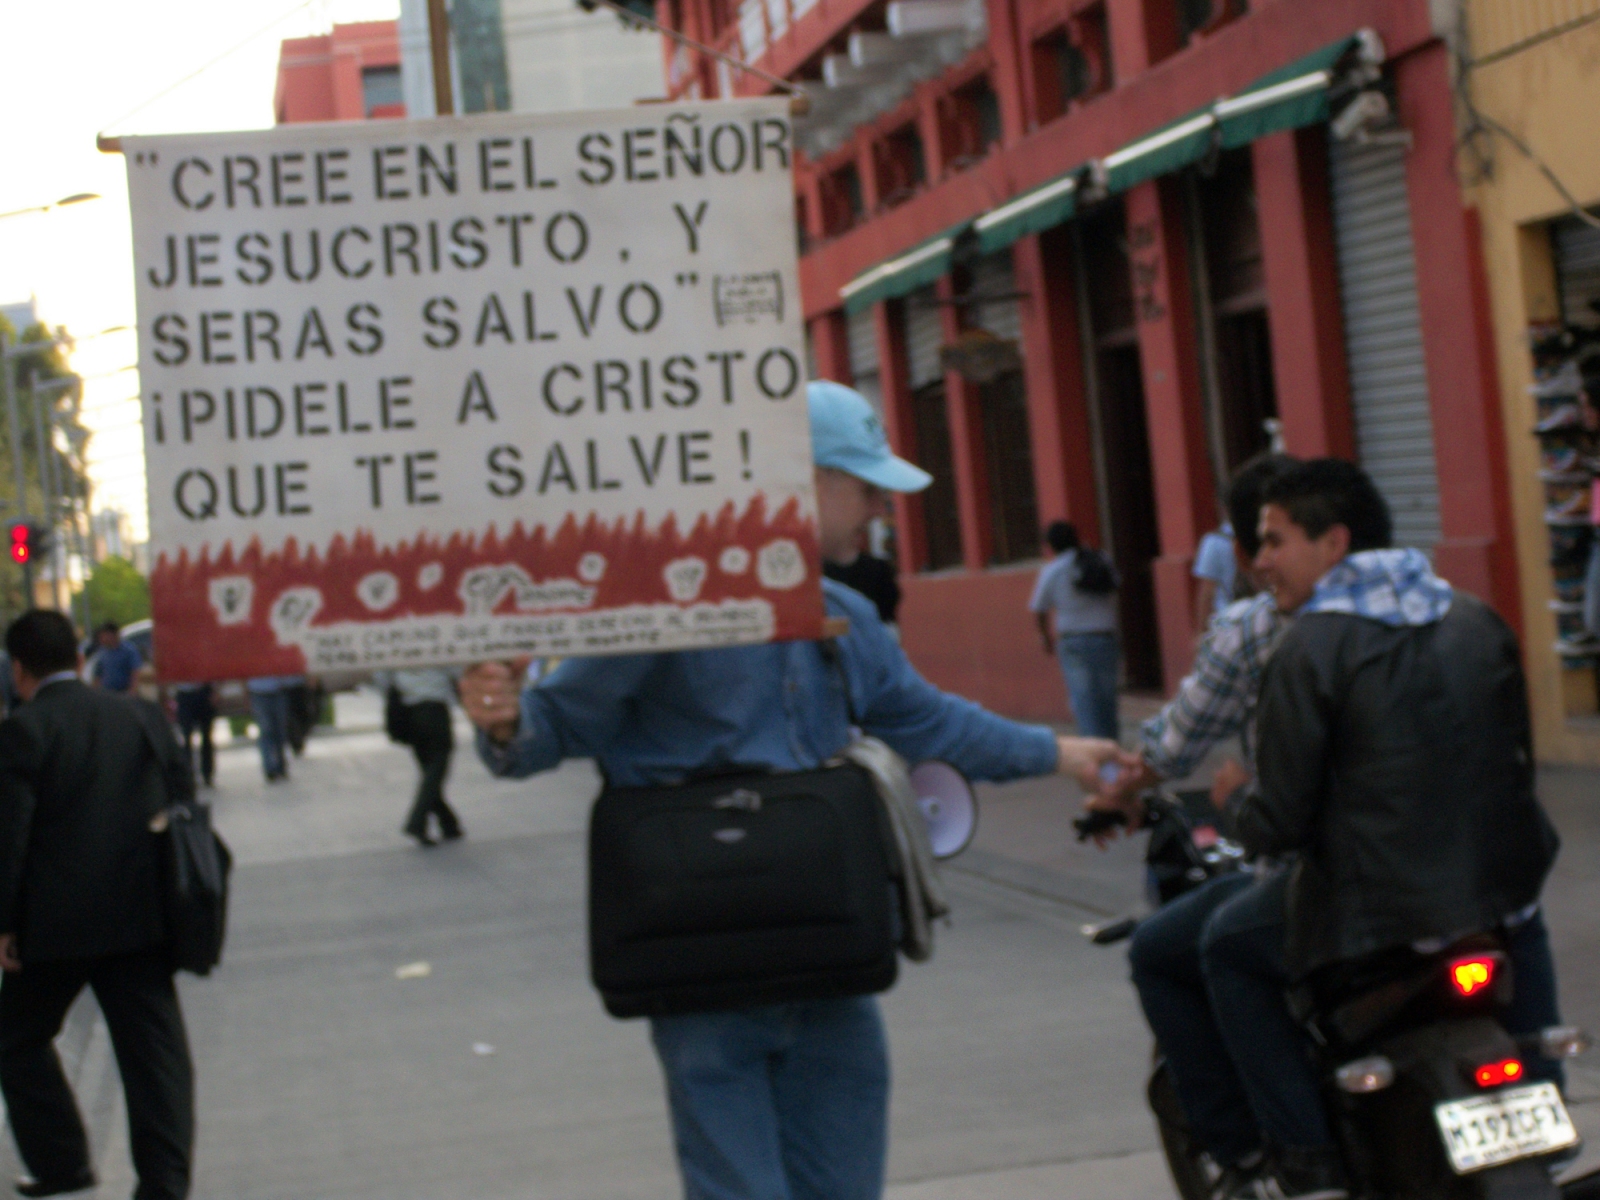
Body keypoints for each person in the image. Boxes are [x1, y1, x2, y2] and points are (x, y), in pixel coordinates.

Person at [459, 379, 1131, 1200]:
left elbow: (930, 723)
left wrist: (1063, 754)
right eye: (865, 486)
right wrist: (502, 719)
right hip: (706, 956)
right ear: (800, 481)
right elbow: (554, 726)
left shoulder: (843, 613)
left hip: (825, 947)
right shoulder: (662, 602)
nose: (880, 507)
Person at [0, 610, 196, 1200]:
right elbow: (182, 794)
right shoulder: (138, 715)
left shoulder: (24, 730)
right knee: (155, 1054)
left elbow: (10, 836)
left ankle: (62, 1162)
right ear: (81, 658)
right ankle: (163, 1184)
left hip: (54, 928)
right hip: (141, 914)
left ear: (19, 669)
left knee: (15, 1038)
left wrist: (5, 924)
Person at [1030, 521, 1120, 739]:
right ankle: (1112, 745)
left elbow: (1039, 607)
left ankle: (1094, 748)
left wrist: (1045, 637)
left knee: (1084, 701)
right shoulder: (1100, 559)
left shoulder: (1054, 570)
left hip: (1074, 641)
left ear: (1051, 545)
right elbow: (1116, 585)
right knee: (1107, 699)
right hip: (1105, 636)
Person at [373, 668, 464, 847]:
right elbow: (456, 671)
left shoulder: (393, 654)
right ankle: (417, 822)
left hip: (408, 711)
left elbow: (381, 677)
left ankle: (448, 823)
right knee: (436, 768)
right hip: (436, 709)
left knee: (428, 770)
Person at [1192, 520, 1238, 633]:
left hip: (1225, 622)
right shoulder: (1261, 534)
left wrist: (1201, 632)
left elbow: (1207, 592)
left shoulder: (1214, 541)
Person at [246, 676, 291, 783]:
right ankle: (269, 767)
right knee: (266, 732)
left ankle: (280, 765)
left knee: (279, 732)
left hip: (277, 690)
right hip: (258, 692)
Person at [172, 682, 216, 789]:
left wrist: (215, 691)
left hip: (203, 691)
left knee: (207, 738)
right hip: (184, 693)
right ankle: (188, 774)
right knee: (186, 739)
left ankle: (207, 774)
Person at [90, 621, 142, 696]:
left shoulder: (128, 651)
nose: (102, 639)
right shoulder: (102, 653)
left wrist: (132, 692)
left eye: (104, 635)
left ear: (113, 635)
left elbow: (135, 672)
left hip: (124, 693)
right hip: (107, 694)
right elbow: (97, 675)